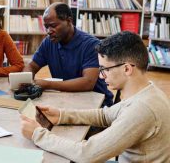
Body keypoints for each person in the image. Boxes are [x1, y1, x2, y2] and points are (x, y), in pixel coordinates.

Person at [20, 31, 170, 162]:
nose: (101, 75)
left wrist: (37, 134)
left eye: (105, 69)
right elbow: (105, 115)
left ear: (127, 69)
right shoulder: (147, 91)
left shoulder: (141, 109)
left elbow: (87, 154)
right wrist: (61, 115)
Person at [23, 3, 113, 106]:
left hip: (96, 104)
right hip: (66, 100)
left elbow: (88, 82)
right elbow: (31, 66)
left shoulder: (91, 45)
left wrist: (47, 84)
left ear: (69, 21)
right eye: (46, 27)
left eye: (53, 26)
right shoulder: (48, 42)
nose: (48, 31)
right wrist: (27, 79)